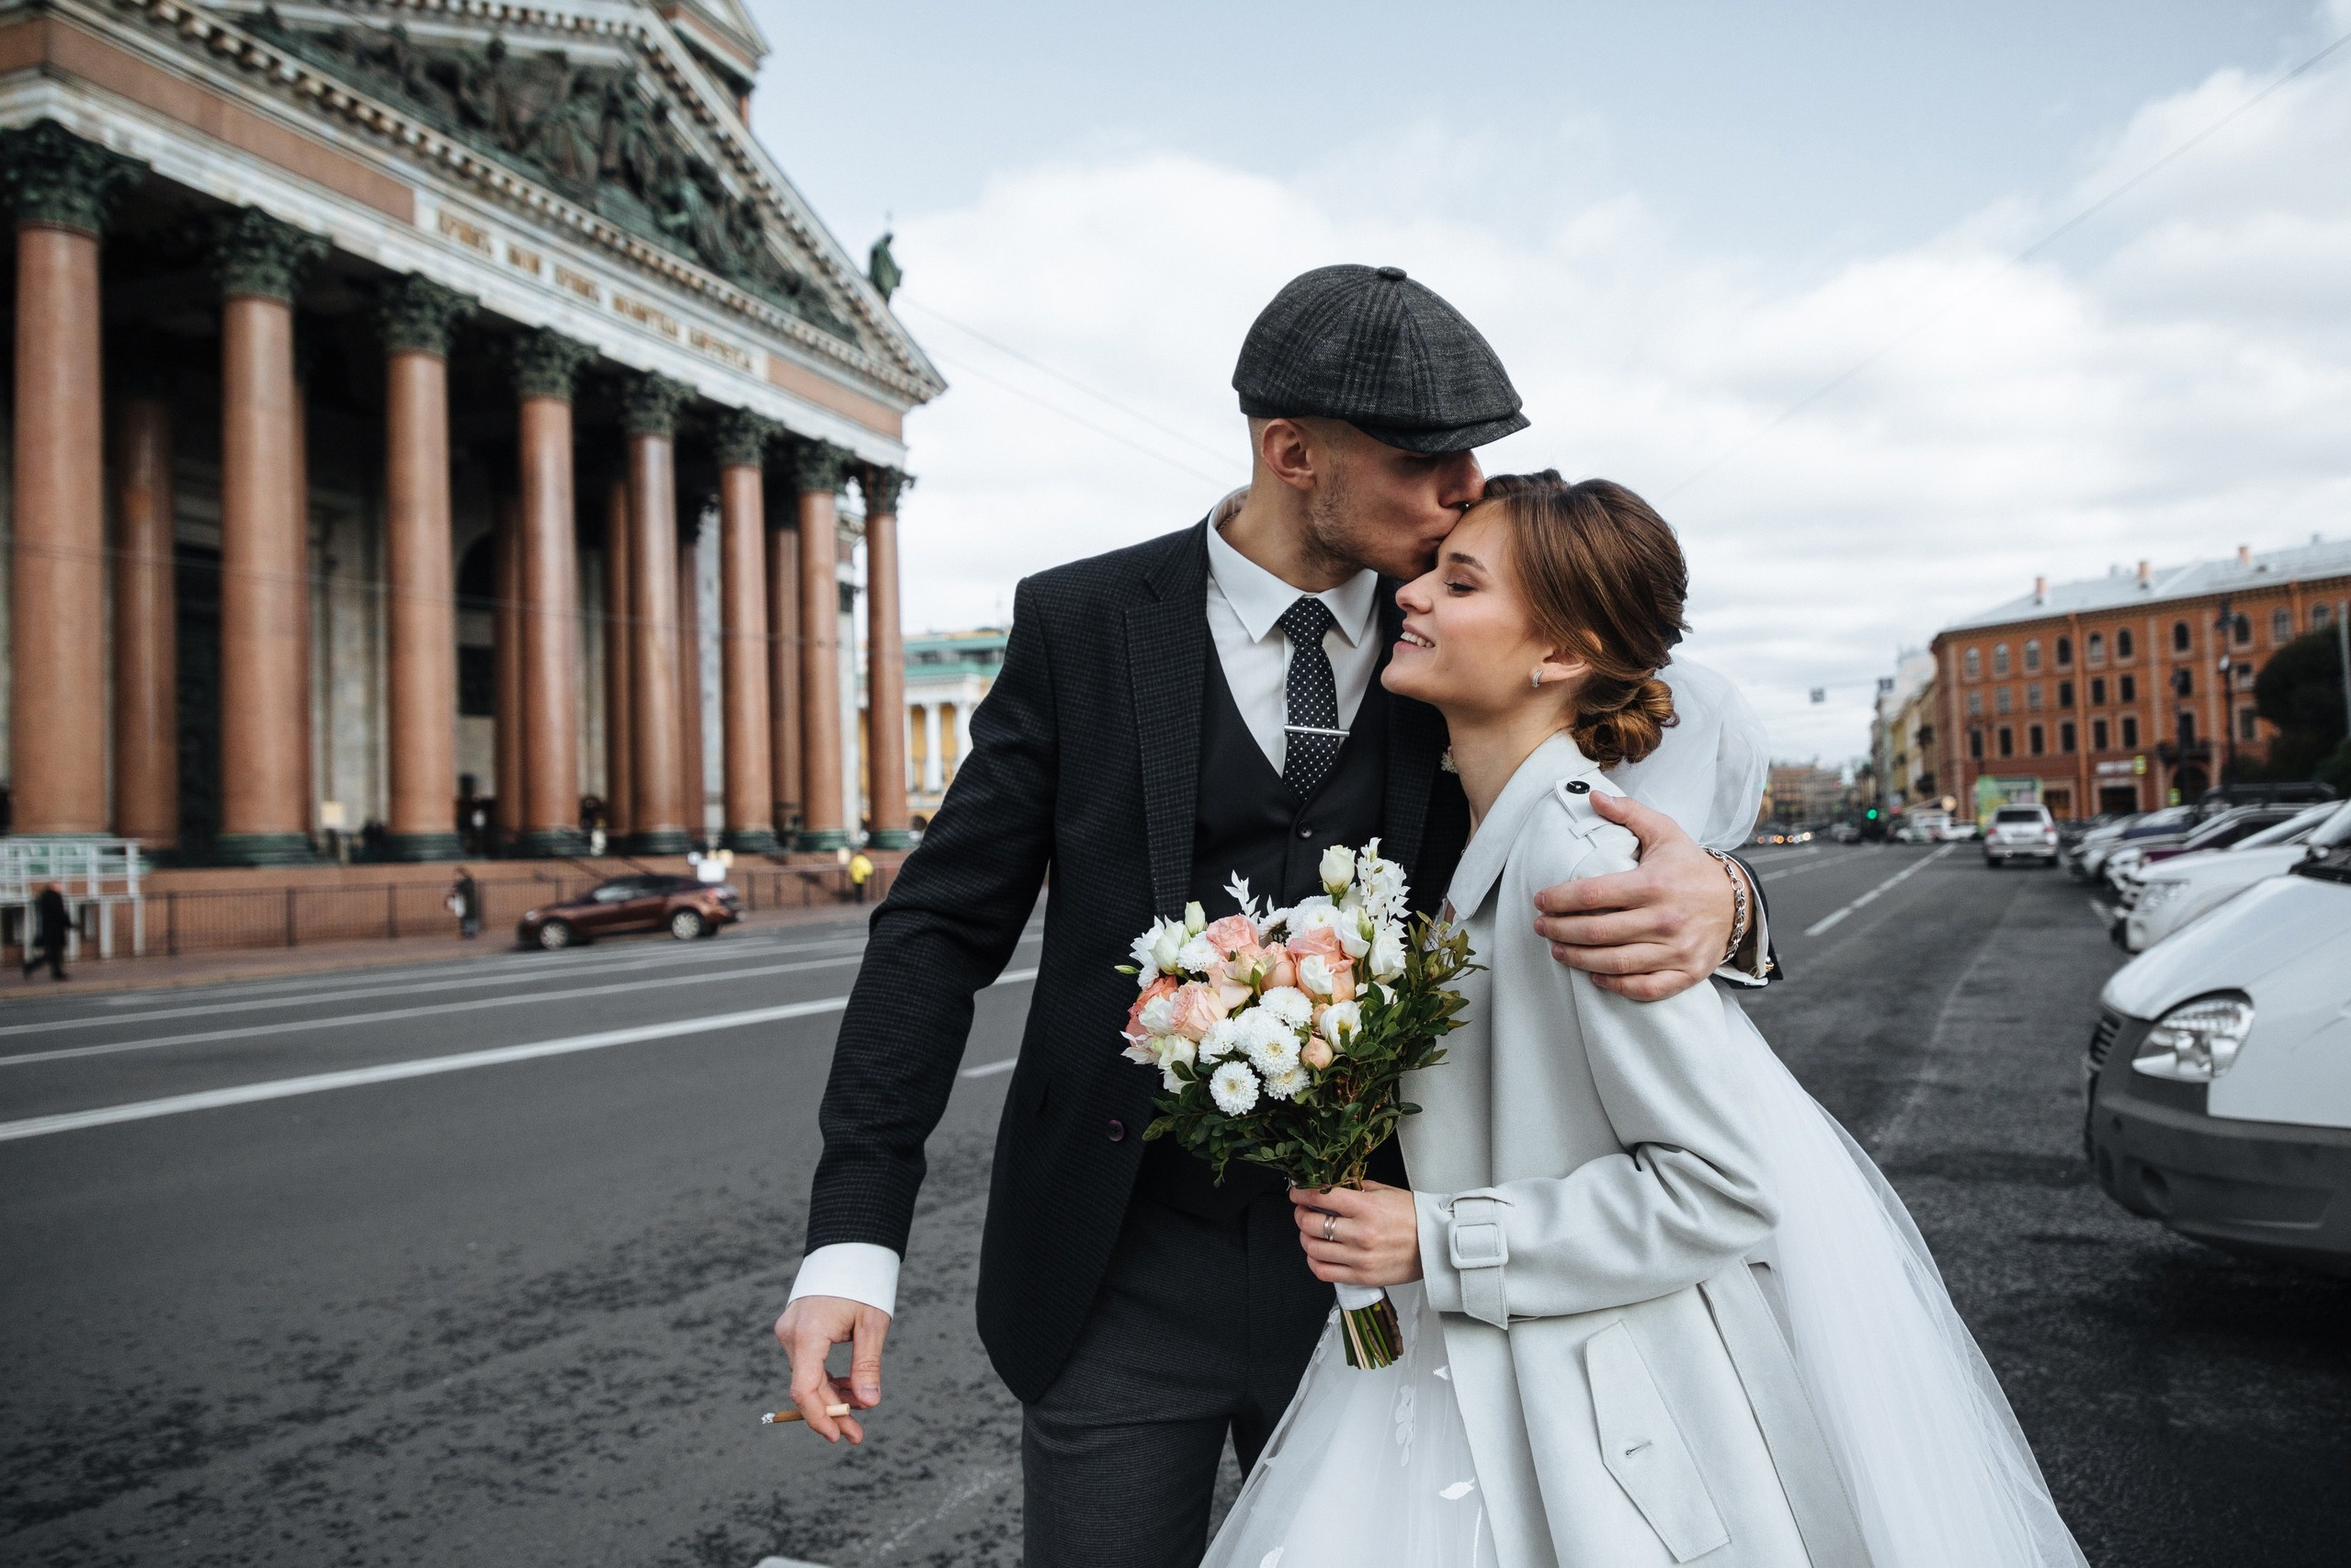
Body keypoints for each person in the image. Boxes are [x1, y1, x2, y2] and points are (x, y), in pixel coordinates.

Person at [774, 266, 1779, 1568]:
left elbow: (1620, 810)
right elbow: (935, 928)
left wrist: (1730, 897)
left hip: (1399, 1271)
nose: (1464, 489)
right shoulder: (1079, 624)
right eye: (1426, 460)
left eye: (1476, 456)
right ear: (1291, 452)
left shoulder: (1467, 634)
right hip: (1112, 1272)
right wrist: (852, 1237)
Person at [1205, 474, 2085, 1568]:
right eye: (1428, 569)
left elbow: (1716, 1184)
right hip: (1478, 1368)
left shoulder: (1576, 864)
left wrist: (1431, 1236)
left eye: (1456, 580)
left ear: (1559, 655)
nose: (1410, 595)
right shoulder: (1493, 832)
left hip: (1592, 1423)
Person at [22, 881, 70, 981]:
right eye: (58, 885)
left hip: (47, 930)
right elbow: (59, 913)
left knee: (53, 954)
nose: (60, 887)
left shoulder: (43, 897)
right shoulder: (55, 898)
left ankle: (56, 973)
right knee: (52, 954)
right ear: (53, 887)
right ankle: (30, 966)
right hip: (55, 931)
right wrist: (69, 924)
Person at [449, 869, 480, 939]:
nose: (457, 877)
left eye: (459, 875)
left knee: (469, 917)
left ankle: (470, 933)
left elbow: (467, 891)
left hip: (468, 903)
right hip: (462, 902)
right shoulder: (460, 883)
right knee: (464, 918)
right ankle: (466, 932)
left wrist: (458, 889)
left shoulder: (468, 882)